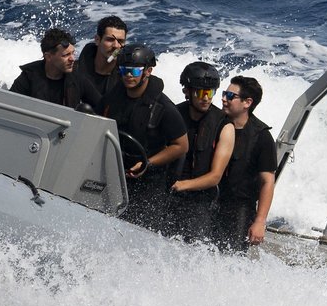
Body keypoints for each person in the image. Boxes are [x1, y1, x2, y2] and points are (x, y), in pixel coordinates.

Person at [99, 43, 188, 233]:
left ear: (148, 71)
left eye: (134, 71)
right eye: (123, 70)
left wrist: (147, 163)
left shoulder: (163, 107)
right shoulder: (111, 98)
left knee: (139, 233)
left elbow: (181, 146)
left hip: (149, 180)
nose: (128, 75)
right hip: (114, 173)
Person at [169, 61, 234, 243]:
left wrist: (182, 185)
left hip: (200, 202)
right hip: (169, 195)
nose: (206, 98)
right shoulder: (173, 114)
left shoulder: (224, 125)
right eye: (201, 92)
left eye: (211, 92)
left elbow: (215, 176)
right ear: (187, 91)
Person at [217, 75, 276, 250]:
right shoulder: (215, 123)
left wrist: (260, 221)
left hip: (239, 208)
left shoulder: (262, 137)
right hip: (210, 200)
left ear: (247, 103)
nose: (223, 99)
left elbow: (267, 182)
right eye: (223, 93)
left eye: (229, 96)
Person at [9, 27, 100, 110]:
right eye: (66, 55)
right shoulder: (29, 77)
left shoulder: (77, 77)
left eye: (73, 53)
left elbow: (101, 105)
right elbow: (9, 106)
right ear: (48, 57)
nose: (72, 59)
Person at [76, 15, 128, 98]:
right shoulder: (74, 70)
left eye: (120, 41)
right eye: (110, 40)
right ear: (97, 40)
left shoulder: (127, 77)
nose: (116, 46)